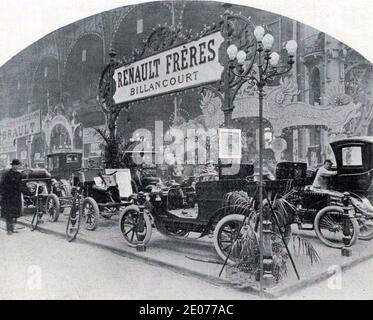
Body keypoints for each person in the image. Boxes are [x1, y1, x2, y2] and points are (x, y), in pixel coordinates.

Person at [0, 159, 22, 235]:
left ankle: (12, 229)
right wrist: (3, 194)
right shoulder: (7, 174)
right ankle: (8, 230)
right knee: (8, 214)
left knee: (14, 214)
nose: (16, 167)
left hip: (16, 197)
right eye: (15, 165)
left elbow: (21, 185)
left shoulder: (19, 174)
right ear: (12, 166)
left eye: (17, 165)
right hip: (8, 197)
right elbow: (2, 185)